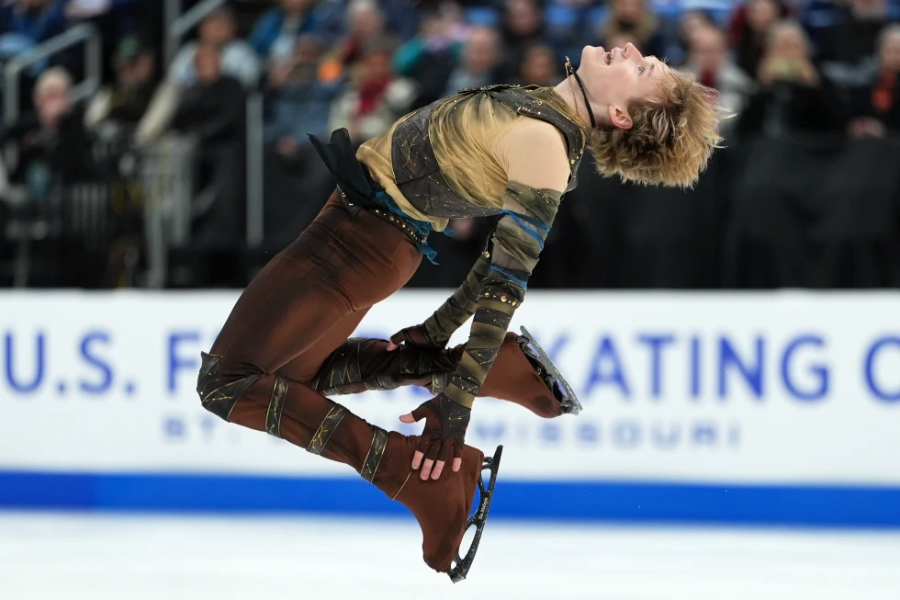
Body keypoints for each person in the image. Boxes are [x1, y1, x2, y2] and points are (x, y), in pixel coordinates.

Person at [196, 43, 723, 580]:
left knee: (226, 384)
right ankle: (473, 370)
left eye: (640, 68)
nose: (630, 49)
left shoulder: (546, 142)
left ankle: (409, 473)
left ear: (620, 115)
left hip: (355, 245)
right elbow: (496, 254)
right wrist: (438, 331)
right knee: (292, 380)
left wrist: (457, 402)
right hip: (366, 233)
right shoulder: (547, 112)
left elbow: (506, 281)